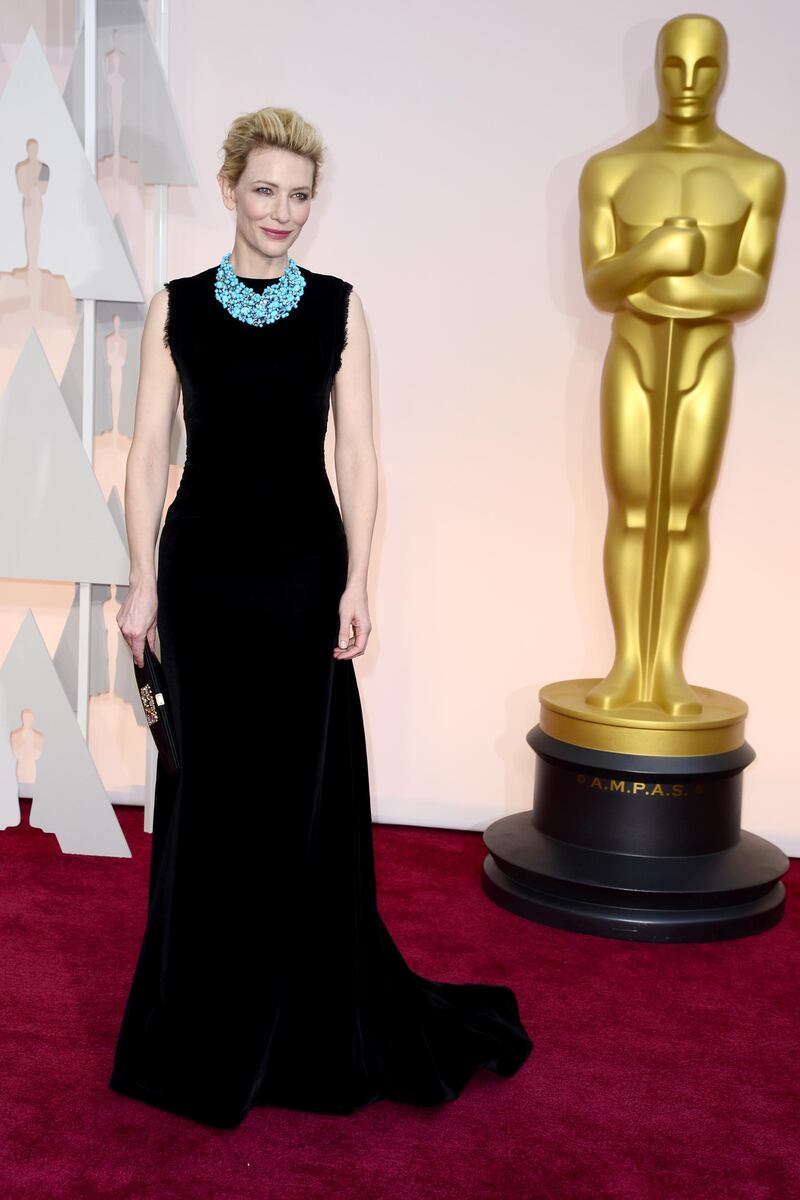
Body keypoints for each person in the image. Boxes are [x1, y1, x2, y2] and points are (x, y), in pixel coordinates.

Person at [109, 106, 532, 1129]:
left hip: (301, 575)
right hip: (202, 578)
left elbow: (361, 457)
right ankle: (206, 1018)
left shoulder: (341, 308)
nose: (282, 212)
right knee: (209, 801)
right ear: (227, 190)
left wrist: (358, 582)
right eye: (264, 190)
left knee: (296, 800)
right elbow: (141, 454)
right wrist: (139, 579)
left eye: (299, 195)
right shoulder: (175, 309)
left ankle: (304, 1024)